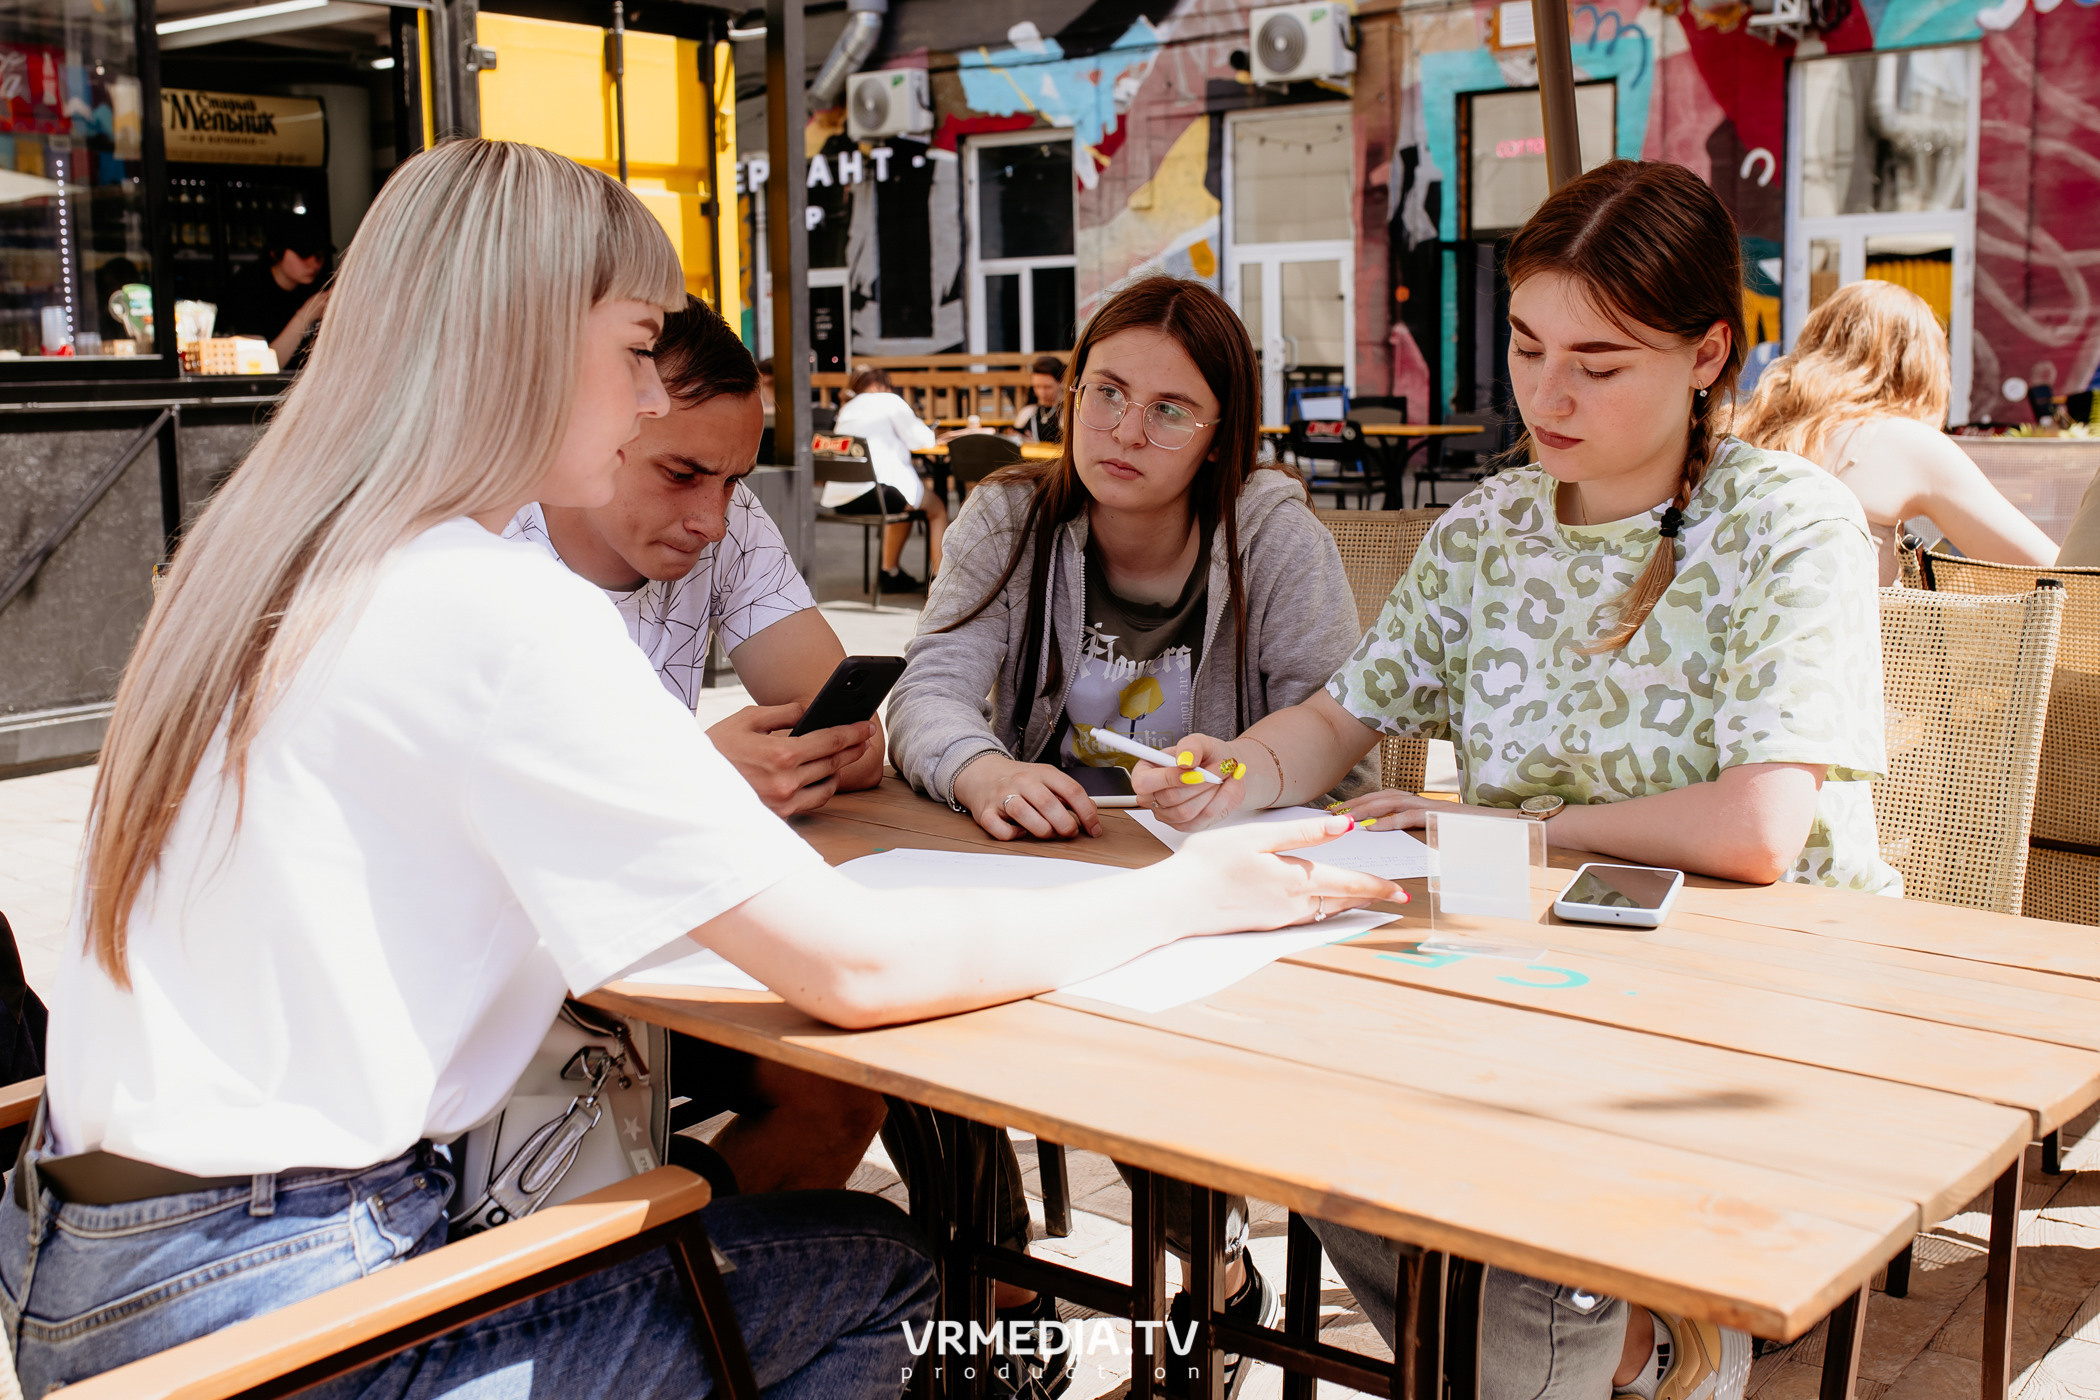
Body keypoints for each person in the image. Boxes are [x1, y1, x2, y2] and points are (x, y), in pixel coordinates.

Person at [4, 139, 1394, 1395]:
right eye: (631, 351)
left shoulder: (266, 560)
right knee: (888, 1277)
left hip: (84, 1267)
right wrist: (1191, 893)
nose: (643, 401)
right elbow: (856, 970)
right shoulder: (492, 601)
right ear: (523, 342)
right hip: (291, 1302)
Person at [1134, 161, 1901, 1400]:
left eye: (1599, 363)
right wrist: (1243, 768)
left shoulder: (1790, 523)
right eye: (1528, 343)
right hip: (1530, 970)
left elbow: (1759, 829)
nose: (1547, 391)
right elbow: (1342, 711)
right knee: (1278, 1095)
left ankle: (1608, 1336)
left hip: (1756, 991)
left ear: (1710, 355)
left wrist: (1494, 825)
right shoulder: (1488, 528)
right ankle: (1634, 1346)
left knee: (1484, 1214)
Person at [886, 273, 1371, 1399]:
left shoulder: (1268, 531)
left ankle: (1212, 1288)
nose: (1122, 429)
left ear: (1218, 435)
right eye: (1105, 391)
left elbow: (1345, 721)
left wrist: (1246, 774)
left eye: (1168, 409)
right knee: (906, 1027)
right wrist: (985, 766)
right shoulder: (1013, 516)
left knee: (1170, 1057)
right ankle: (1003, 1308)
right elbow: (928, 691)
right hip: (1042, 873)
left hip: (1206, 891)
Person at [504, 294, 887, 1197]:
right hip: (538, 978)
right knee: (887, 1002)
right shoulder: (497, 557)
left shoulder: (728, 523)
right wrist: (700, 774)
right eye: (682, 474)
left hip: (678, 943)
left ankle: (707, 1289)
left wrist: (830, 744)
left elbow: (831, 716)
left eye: (733, 481)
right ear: (602, 429)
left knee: (861, 1077)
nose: (712, 518)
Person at [1732, 279, 2057, 584]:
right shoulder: (1902, 442)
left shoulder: (1735, 425)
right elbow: (2057, 571)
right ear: (1921, 369)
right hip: (1831, 642)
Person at [828, 366, 947, 592]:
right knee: (937, 508)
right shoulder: (889, 401)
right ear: (881, 385)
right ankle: (941, 581)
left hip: (842, 496)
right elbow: (921, 440)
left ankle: (890, 572)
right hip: (877, 492)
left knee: (904, 502)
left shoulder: (847, 409)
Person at [216, 217, 332, 370]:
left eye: (319, 256)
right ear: (277, 252)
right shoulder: (246, 289)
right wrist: (304, 317)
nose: (313, 264)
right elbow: (258, 367)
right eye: (304, 254)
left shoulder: (318, 287)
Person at [1013, 354, 1066, 444]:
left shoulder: (1068, 413)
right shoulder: (1027, 412)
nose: (1042, 393)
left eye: (1047, 387)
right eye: (1037, 386)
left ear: (1061, 381)